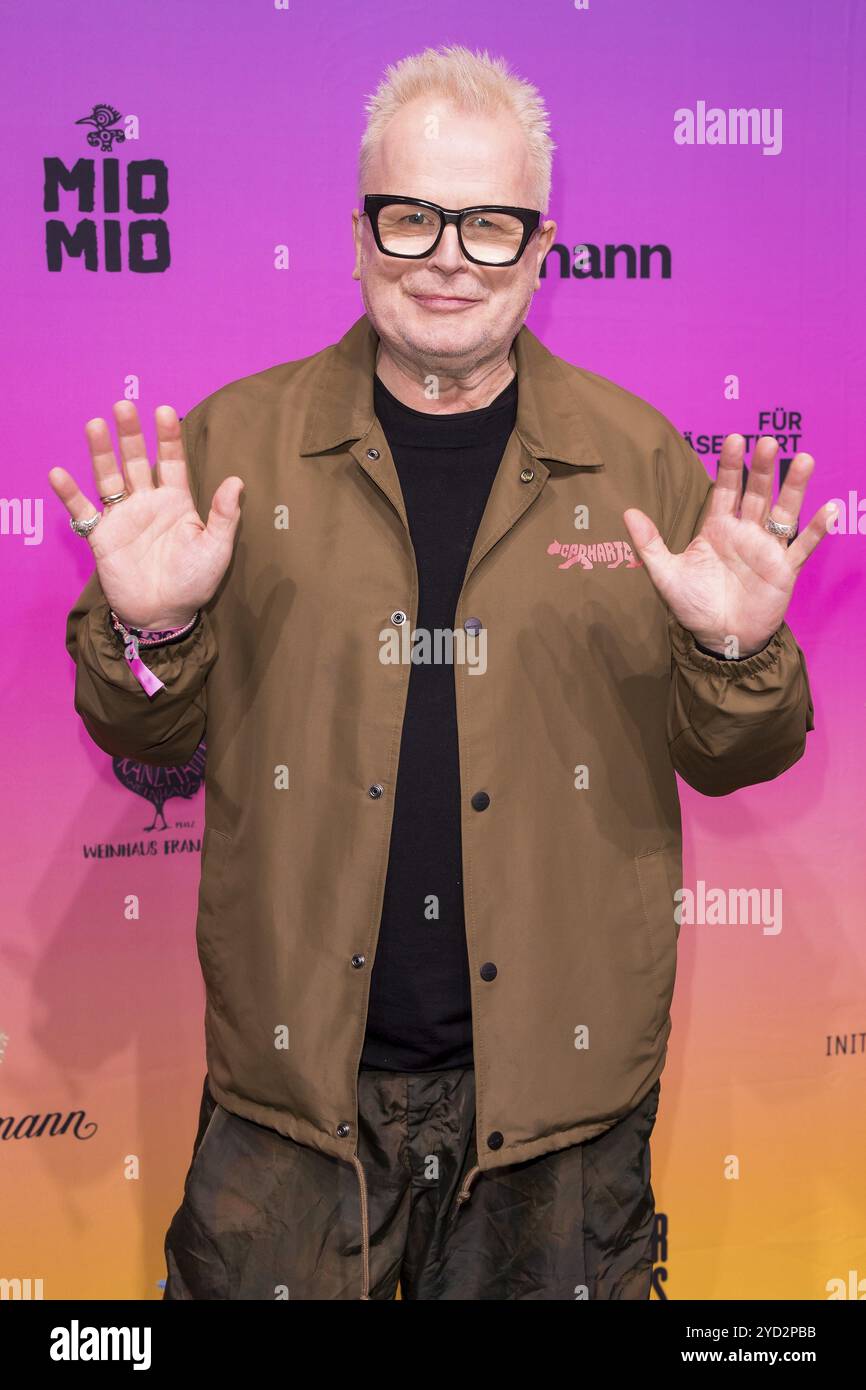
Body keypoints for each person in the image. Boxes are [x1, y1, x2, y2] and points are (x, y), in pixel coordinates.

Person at [51, 44, 829, 1301]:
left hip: (559, 1118)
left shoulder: (639, 463)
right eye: (411, 216)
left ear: (541, 247)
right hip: (289, 1108)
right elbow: (141, 736)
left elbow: (737, 752)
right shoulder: (232, 446)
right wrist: (149, 635)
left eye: (489, 222)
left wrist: (731, 644)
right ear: (358, 236)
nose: (449, 256)